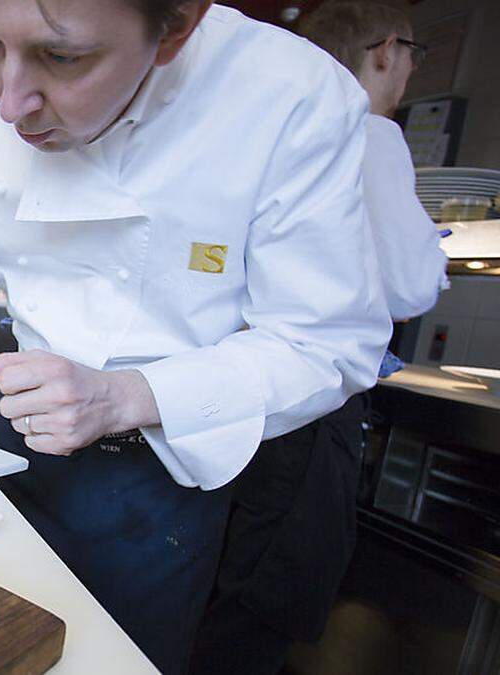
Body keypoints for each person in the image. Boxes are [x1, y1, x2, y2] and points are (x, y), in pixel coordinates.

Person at [0, 1, 391, 672]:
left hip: (169, 471)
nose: (8, 102)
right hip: (18, 446)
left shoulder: (289, 95)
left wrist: (125, 395)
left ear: (173, 28)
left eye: (62, 57)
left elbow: (325, 342)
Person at [189, 4, 449, 673]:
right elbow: (411, 283)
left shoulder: (263, 126)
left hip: (228, 399)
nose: (412, 69)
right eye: (414, 53)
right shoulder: (367, 133)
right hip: (306, 410)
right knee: (257, 609)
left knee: (212, 594)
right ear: (387, 50)